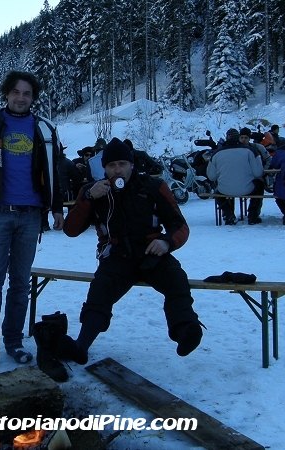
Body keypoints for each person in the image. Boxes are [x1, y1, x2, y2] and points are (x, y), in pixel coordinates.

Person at [33, 138, 203, 381]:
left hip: (152, 253)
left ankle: (185, 329)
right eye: (112, 165)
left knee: (176, 280)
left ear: (132, 165)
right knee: (100, 290)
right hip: (116, 256)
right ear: (103, 168)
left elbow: (180, 224)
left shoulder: (153, 186)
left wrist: (167, 242)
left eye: (122, 164)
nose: (117, 170)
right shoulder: (93, 190)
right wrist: (89, 198)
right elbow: (71, 230)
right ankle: (81, 345)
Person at [0, 70, 64, 364]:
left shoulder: (45, 129)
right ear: (6, 94)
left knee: (20, 283)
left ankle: (13, 341)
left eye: (27, 94)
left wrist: (56, 208)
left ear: (33, 98)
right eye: (16, 92)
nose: (21, 98)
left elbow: (56, 171)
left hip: (31, 216)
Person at [207, 128, 265, 225]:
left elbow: (211, 177)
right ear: (238, 138)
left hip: (224, 190)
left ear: (227, 138)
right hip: (248, 189)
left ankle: (228, 213)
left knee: (218, 191)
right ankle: (252, 215)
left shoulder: (216, 154)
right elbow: (258, 173)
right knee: (260, 184)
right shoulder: (249, 151)